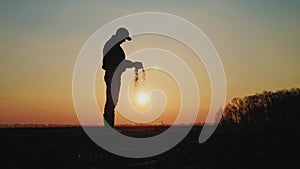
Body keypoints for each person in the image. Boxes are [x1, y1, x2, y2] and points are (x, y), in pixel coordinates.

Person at [102, 27, 143, 128]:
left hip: (114, 76)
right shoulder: (113, 47)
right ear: (120, 36)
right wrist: (133, 64)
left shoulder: (113, 45)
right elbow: (119, 63)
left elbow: (120, 63)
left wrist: (131, 64)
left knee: (112, 102)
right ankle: (108, 129)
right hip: (113, 76)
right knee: (111, 102)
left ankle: (109, 128)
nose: (124, 41)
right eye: (124, 38)